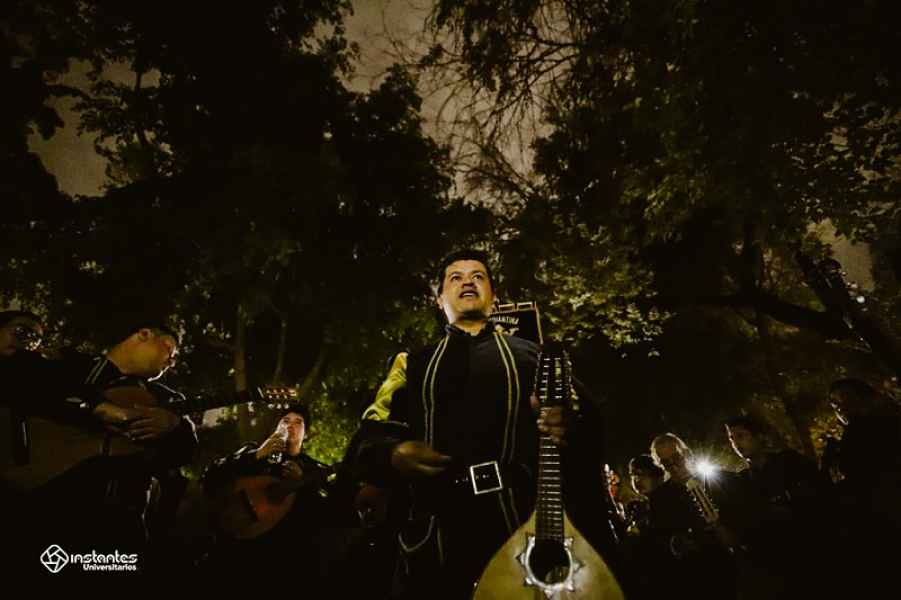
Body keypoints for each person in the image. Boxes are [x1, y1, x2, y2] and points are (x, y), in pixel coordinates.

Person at [348, 249, 617, 599]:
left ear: (494, 296)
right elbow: (372, 429)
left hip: (519, 527)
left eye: (478, 276)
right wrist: (393, 452)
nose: (467, 282)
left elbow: (584, 421)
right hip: (436, 534)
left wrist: (566, 423)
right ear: (439, 299)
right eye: (455, 277)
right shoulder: (412, 364)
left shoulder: (534, 356)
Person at [3, 322, 197, 576]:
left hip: (113, 528)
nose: (172, 361)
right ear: (144, 334)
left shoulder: (166, 399)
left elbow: (184, 453)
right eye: (170, 348)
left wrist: (175, 426)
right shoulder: (66, 364)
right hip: (31, 509)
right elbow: (17, 380)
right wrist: (97, 407)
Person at [199, 404, 352, 581]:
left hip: (280, 562)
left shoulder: (313, 469)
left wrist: (302, 482)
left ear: (306, 434)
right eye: (285, 421)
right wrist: (256, 455)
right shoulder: (253, 451)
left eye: (298, 422)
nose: (290, 425)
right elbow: (212, 476)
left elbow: (329, 515)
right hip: (232, 549)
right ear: (277, 428)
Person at [724, 415, 833, 598]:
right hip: (777, 565)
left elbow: (819, 494)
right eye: (732, 439)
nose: (736, 443)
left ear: (759, 436)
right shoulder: (742, 481)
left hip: (811, 551)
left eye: (741, 436)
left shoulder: (789, 461)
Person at [646, 433, 739, 600]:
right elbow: (661, 540)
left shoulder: (717, 480)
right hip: (693, 576)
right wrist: (675, 543)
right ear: (660, 465)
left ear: (686, 453)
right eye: (666, 462)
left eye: (676, 458)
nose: (674, 465)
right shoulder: (659, 499)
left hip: (731, 569)